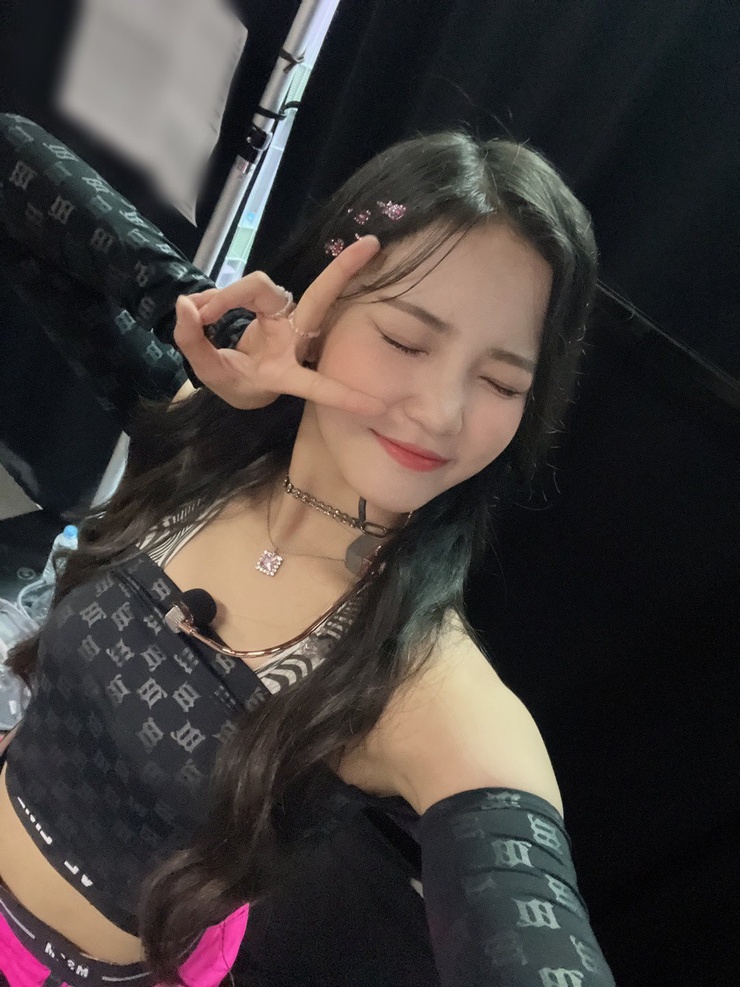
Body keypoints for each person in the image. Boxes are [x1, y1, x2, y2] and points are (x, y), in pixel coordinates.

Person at [0, 127, 616, 986]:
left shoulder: (425, 688)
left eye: (503, 382)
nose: (441, 412)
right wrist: (204, 310)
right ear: (319, 313)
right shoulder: (200, 443)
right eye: (406, 340)